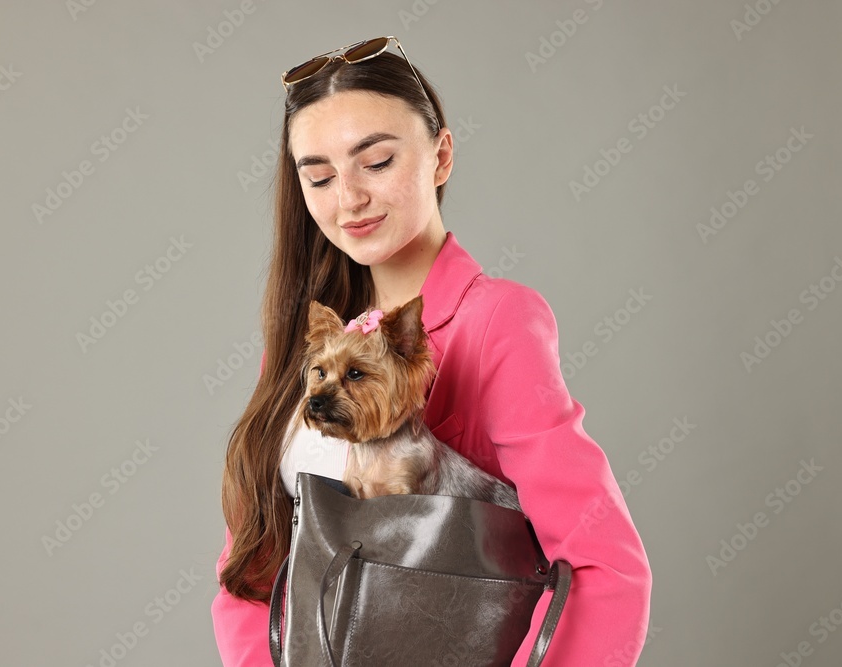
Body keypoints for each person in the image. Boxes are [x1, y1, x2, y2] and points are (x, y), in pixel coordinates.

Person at [211, 36, 652, 666]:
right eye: (320, 176)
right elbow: (251, 564)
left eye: (378, 162)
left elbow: (602, 563)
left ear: (441, 156)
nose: (349, 198)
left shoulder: (497, 320)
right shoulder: (304, 346)